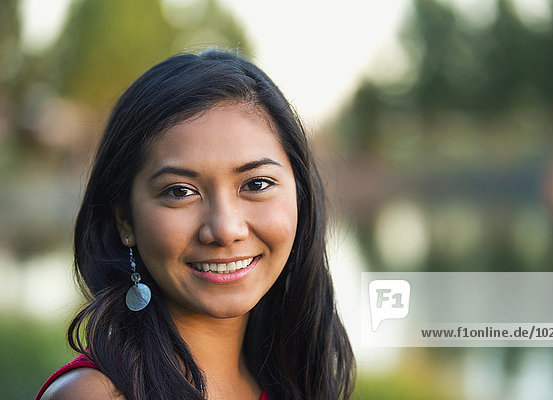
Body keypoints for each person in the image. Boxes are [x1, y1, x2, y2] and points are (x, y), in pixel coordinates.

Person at [36, 49, 355, 400]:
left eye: (256, 184)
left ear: (300, 195)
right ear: (125, 219)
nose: (224, 229)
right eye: (180, 191)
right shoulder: (98, 395)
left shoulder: (294, 379)